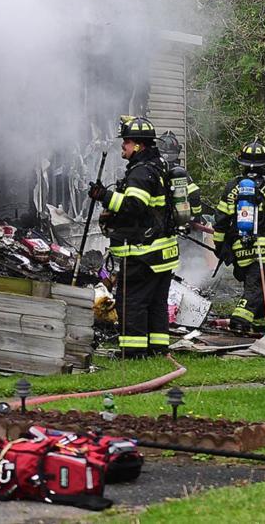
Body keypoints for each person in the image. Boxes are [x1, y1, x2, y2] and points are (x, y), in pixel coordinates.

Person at [87, 116, 179, 358]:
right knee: (156, 303)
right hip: (163, 251)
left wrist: (104, 196)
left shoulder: (140, 172)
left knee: (132, 301)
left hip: (143, 252)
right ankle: (158, 348)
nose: (122, 147)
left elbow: (134, 206)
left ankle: (133, 352)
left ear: (139, 145)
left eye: (126, 143)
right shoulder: (159, 166)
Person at [212, 141, 265, 333]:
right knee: (258, 287)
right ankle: (239, 320)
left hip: (240, 248)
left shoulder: (233, 186)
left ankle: (262, 325)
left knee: (264, 285)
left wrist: (220, 246)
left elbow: (221, 220)